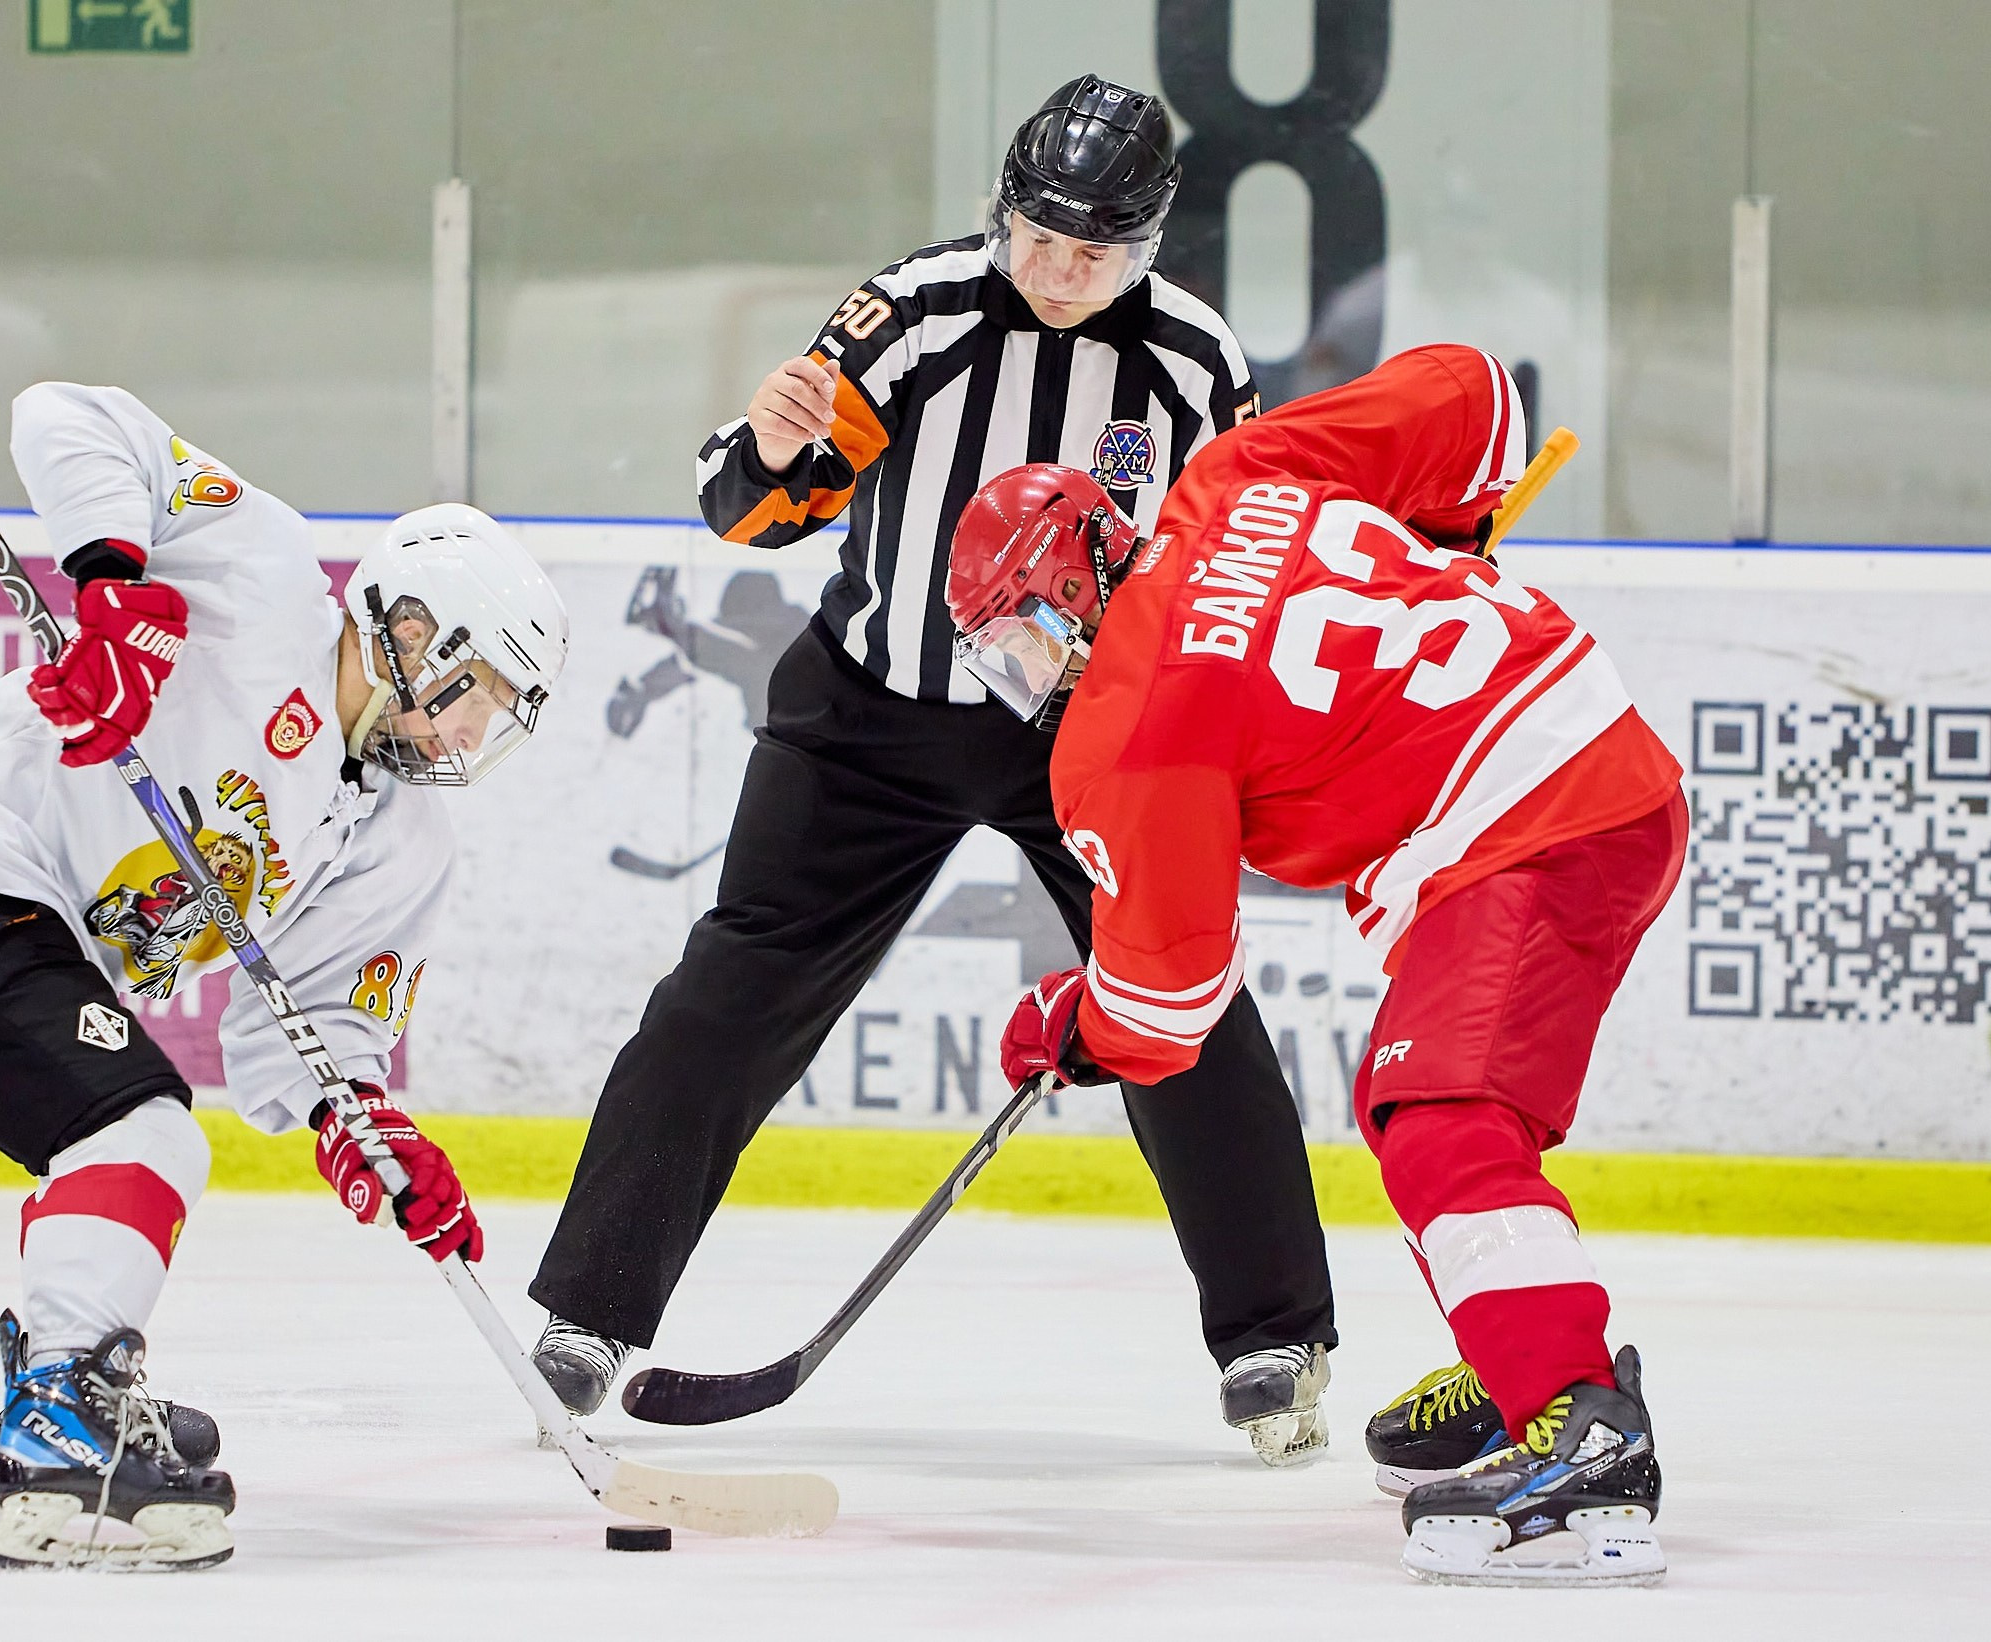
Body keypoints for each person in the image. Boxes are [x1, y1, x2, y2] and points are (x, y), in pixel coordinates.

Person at [528, 75, 1339, 1462]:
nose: (1061, 270)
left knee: (1182, 1001)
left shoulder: (1197, 368)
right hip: (868, 718)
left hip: (1087, 739)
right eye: (1039, 237)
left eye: (1095, 251)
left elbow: (1238, 571)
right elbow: (749, 509)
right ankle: (591, 1311)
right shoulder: (914, 314)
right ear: (1001, 212)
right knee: (732, 987)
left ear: (1146, 245)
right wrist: (775, 446)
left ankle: (1275, 1337)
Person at [949, 343, 1684, 1586]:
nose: (1022, 675)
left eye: (1016, 637)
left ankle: (1581, 1425)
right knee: (1440, 1114)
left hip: (1529, 820)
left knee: (1442, 1116)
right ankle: (1526, 1357)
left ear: (1065, 589)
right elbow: (1473, 392)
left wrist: (1073, 1024)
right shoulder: (1235, 474)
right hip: (1583, 757)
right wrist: (1448, 536)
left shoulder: (1128, 727)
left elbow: (1168, 1002)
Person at [0, 382, 568, 1570]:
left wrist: (358, 1118)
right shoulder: (261, 582)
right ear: (418, 632)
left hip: (10, 915)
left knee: (123, 1134)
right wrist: (116, 592)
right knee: (145, 1133)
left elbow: (300, 1036)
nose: (474, 739)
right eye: (479, 697)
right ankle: (63, 1401)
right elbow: (66, 415)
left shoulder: (402, 841)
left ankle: (67, 1375)